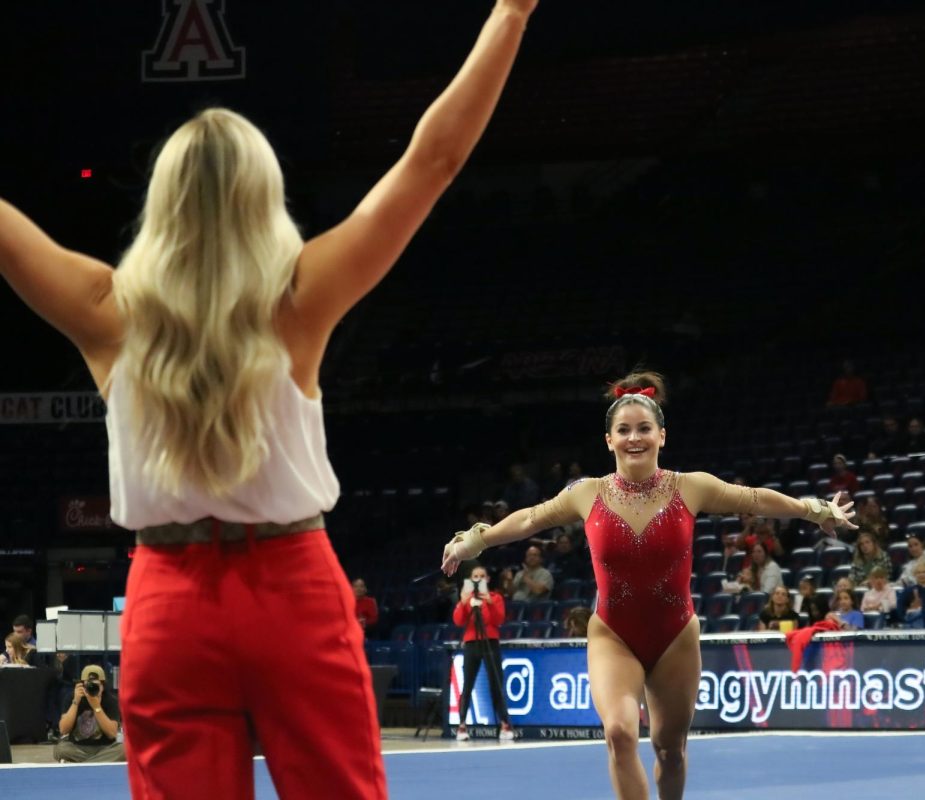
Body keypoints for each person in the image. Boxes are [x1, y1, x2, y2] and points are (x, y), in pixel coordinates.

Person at [0, 2, 540, 793]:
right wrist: (511, 11)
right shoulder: (299, 299)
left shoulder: (106, 309)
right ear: (265, 198)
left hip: (167, 597)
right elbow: (434, 161)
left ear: (161, 201)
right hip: (291, 582)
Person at [440, 371, 856, 800]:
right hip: (613, 634)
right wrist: (476, 539)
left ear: (662, 436)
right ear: (608, 440)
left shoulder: (690, 487)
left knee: (669, 749)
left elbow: (753, 498)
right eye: (623, 430)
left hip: (675, 636)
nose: (633, 438)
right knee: (619, 733)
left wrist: (814, 509)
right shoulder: (587, 494)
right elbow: (529, 518)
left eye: (643, 429)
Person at [451, 565, 515, 741]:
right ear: (471, 580)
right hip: (471, 643)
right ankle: (462, 725)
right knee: (468, 685)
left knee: (496, 683)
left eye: (482, 576)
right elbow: (458, 621)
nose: (478, 578)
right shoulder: (466, 597)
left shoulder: (495, 597)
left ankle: (504, 724)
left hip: (490, 642)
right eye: (475, 576)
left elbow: (499, 619)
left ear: (487, 579)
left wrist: (489, 601)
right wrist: (463, 603)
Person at [54, 665, 125, 763]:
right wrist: (75, 702)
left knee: (124, 749)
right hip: (78, 748)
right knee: (60, 749)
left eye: (96, 685)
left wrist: (96, 707)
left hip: (104, 748)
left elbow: (112, 734)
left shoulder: (111, 700)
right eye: (89, 685)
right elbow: (63, 729)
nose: (92, 688)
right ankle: (98, 763)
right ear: (82, 685)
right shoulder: (72, 698)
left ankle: (83, 764)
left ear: (103, 686)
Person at [898, 561, 925, 628]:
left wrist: (922, 609)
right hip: (913, 624)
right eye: (918, 573)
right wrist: (913, 609)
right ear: (915, 575)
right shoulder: (908, 591)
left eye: (924, 572)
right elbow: (900, 611)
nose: (921, 575)